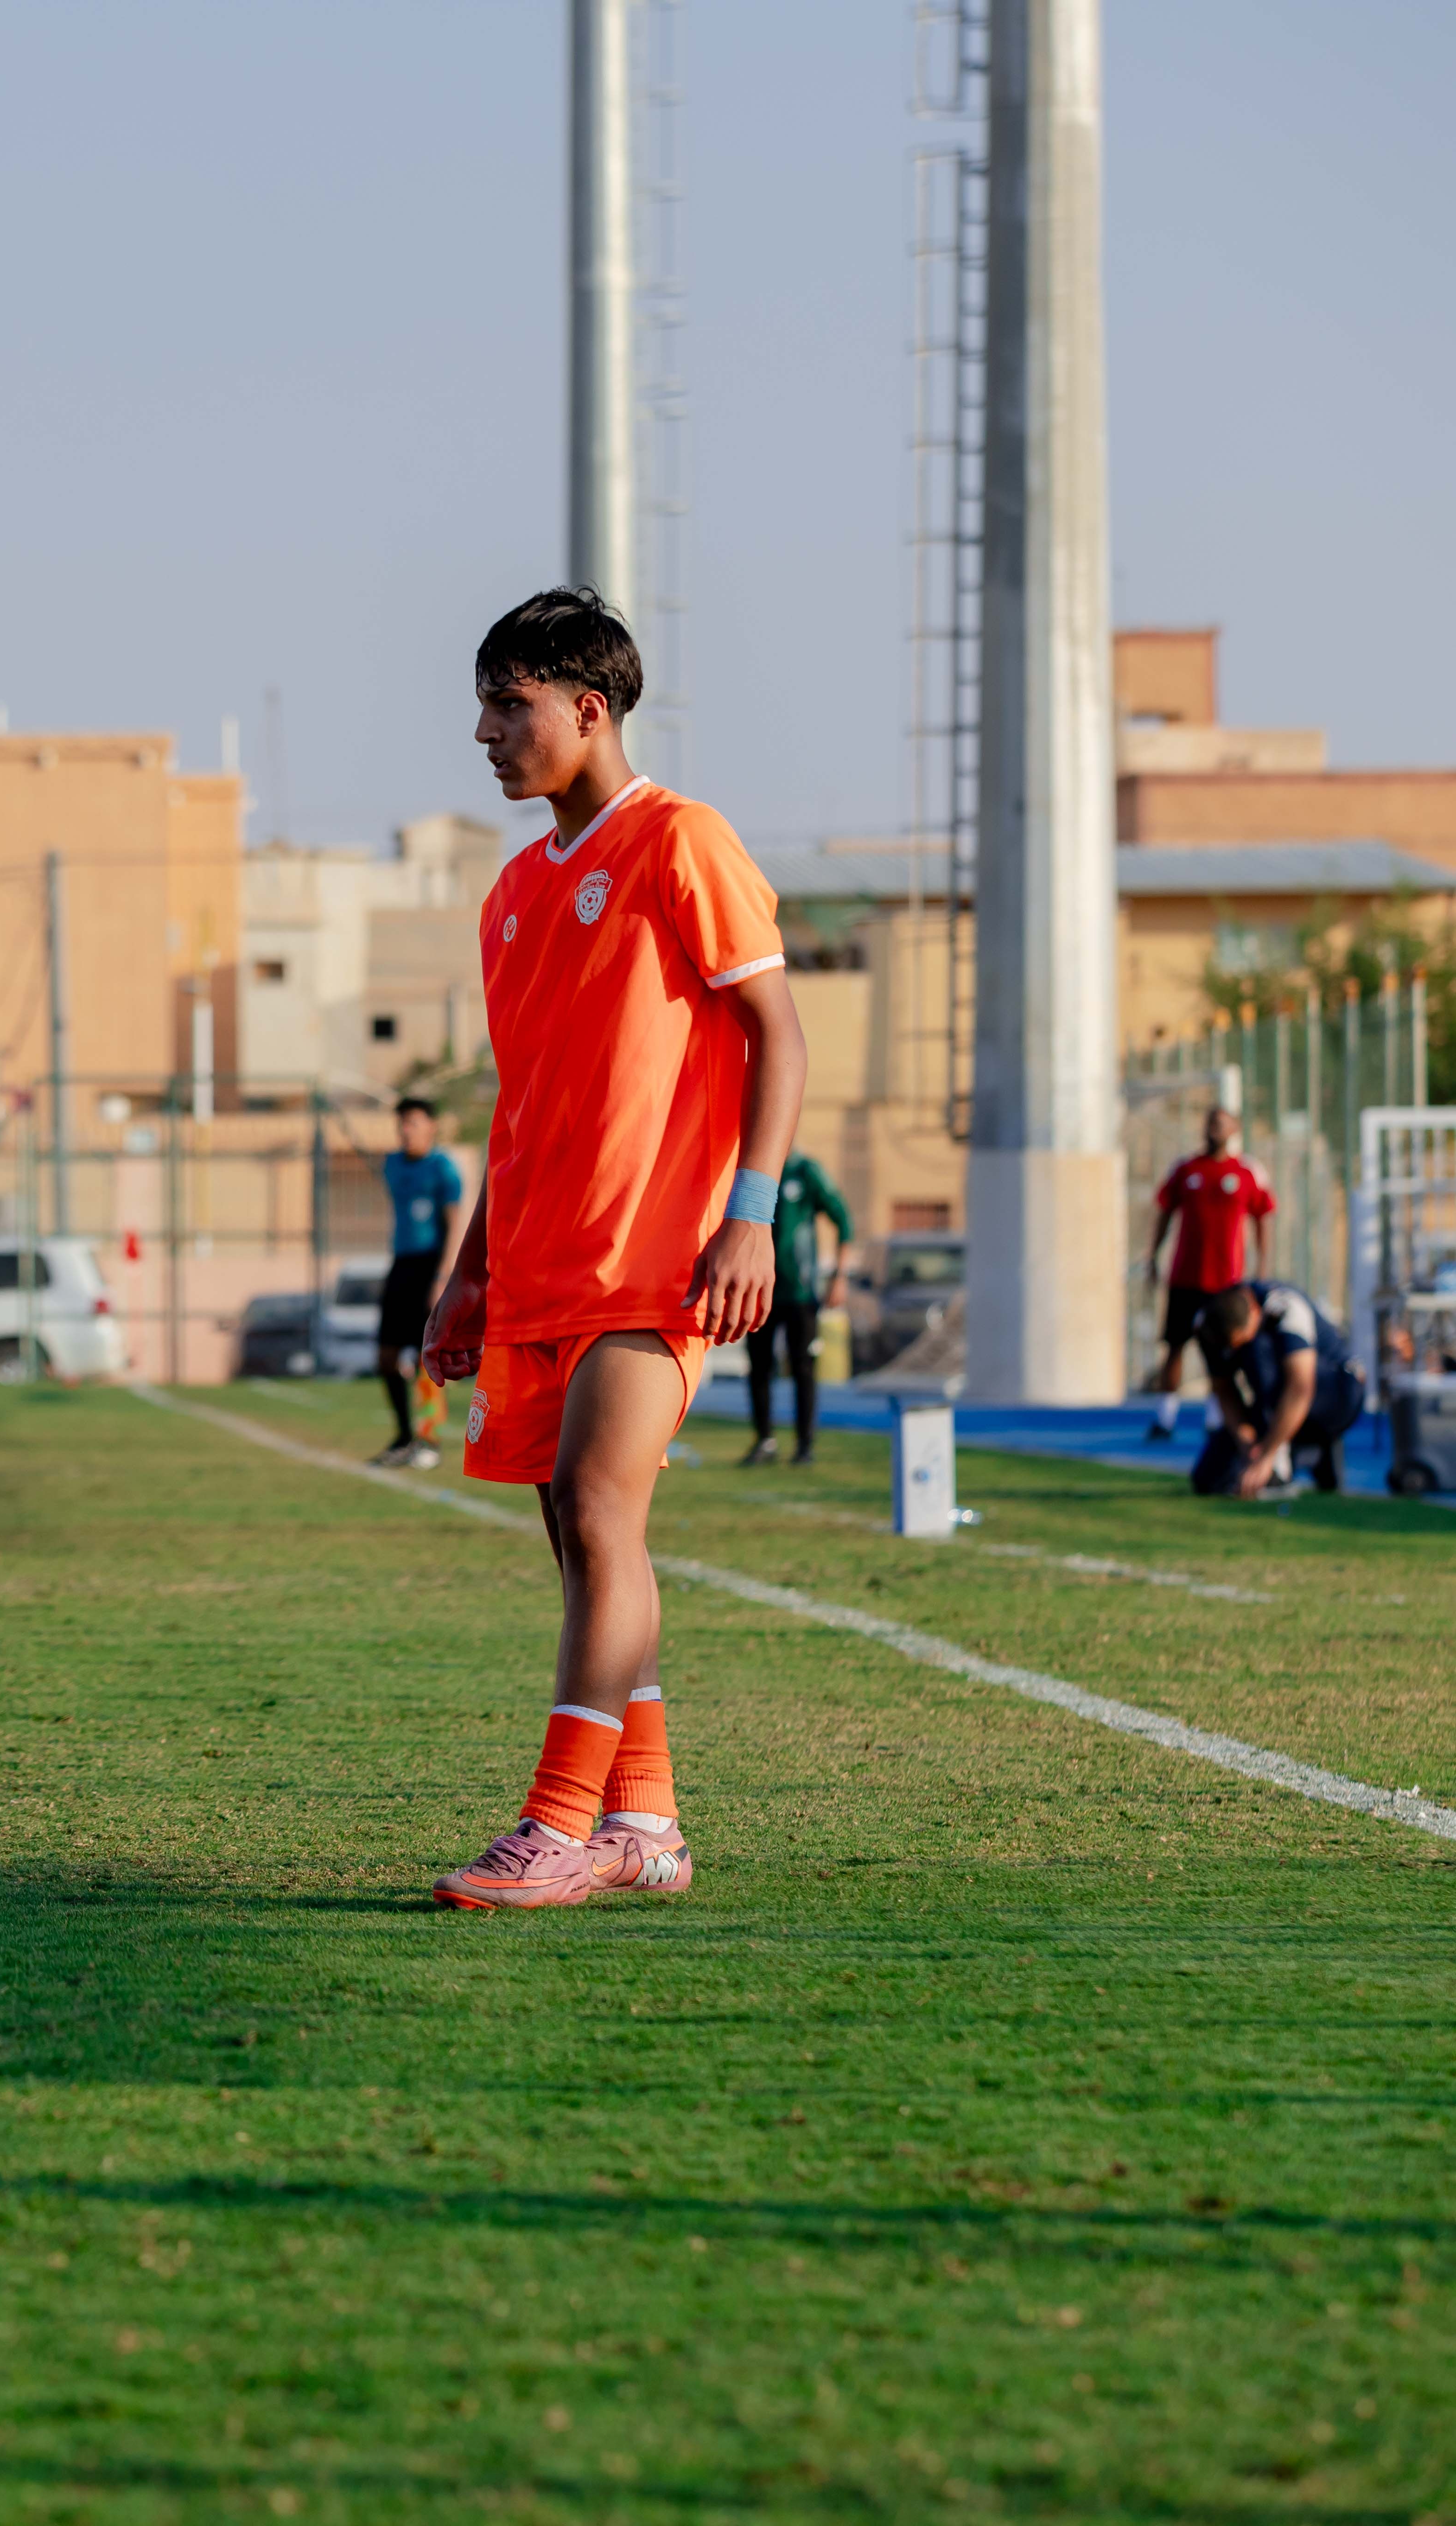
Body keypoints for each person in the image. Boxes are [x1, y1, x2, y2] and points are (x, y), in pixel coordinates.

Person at [421, 587, 802, 1909]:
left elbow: (779, 1037)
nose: (485, 732)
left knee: (597, 1510)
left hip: (658, 1261)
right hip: (537, 1263)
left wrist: (751, 1215)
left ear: (590, 710)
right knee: (585, 1546)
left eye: (508, 705)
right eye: (482, 705)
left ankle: (557, 1823)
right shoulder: (513, 894)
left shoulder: (681, 840)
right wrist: (470, 1271)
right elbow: (518, 1102)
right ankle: (647, 1823)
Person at [1144, 1107, 1274, 1443]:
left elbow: (1262, 1217)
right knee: (1174, 1347)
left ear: (1235, 1129)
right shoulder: (1186, 1169)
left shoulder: (1247, 1171)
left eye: (1222, 1123)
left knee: (1221, 1351)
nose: (1215, 1128)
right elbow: (1165, 1213)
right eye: (1211, 1122)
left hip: (1225, 1283)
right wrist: (1153, 1257)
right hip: (1185, 1278)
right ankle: (1165, 1418)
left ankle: (1217, 1420)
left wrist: (1262, 1265)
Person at [1195, 1279, 1366, 1498]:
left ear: (1255, 1311)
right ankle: (1311, 1453)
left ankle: (1283, 1466)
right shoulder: (1208, 1324)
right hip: (1276, 1400)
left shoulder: (1285, 1307)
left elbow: (1300, 1388)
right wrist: (1246, 1443)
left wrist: (1267, 1454)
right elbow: (1224, 1389)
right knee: (1211, 1479)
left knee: (1260, 1351)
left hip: (1338, 1392)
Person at [741, 1150, 850, 1467]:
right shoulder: (749, 1167)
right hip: (759, 1289)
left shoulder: (805, 1171)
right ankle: (765, 1441)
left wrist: (839, 1276)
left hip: (800, 1292)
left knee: (803, 1368)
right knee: (760, 1367)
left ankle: (805, 1445)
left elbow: (844, 1221)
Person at [374, 1098, 467, 1469]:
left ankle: (429, 1440)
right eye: (402, 1123)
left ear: (432, 1126)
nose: (405, 1130)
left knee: (425, 1357)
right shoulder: (393, 1165)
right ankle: (402, 1437)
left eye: (413, 1122)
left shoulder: (443, 1168)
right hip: (401, 1265)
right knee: (385, 1357)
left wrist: (443, 1277)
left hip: (431, 1267)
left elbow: (454, 1223)